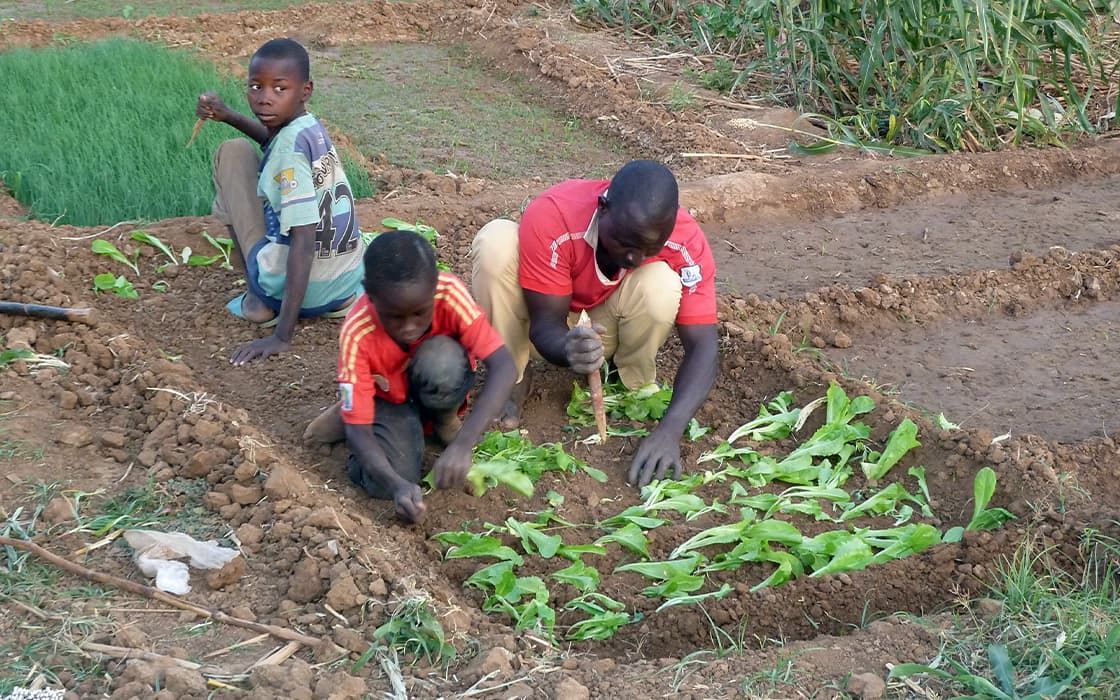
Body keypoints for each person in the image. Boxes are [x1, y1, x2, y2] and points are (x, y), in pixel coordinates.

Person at [471, 160, 719, 489]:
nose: (634, 259)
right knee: (497, 243)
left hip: (608, 329)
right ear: (604, 208)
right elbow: (546, 323)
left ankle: (629, 382)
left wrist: (669, 430)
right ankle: (512, 376)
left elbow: (704, 344)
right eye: (625, 244)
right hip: (541, 322)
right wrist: (567, 347)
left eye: (649, 248)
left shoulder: (685, 240)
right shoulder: (555, 214)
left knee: (661, 283)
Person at [316, 229, 516, 523]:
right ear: (369, 294)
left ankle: (444, 421)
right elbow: (360, 434)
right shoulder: (357, 332)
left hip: (431, 379)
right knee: (388, 479)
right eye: (395, 317)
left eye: (420, 314)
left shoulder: (449, 293)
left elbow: (504, 366)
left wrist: (463, 444)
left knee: (443, 360)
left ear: (434, 288)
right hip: (388, 398)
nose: (409, 327)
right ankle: (355, 407)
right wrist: (397, 485)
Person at [195, 38, 365, 366]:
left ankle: (259, 299)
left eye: (279, 89)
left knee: (232, 153)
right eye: (256, 87)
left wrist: (282, 336)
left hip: (306, 290)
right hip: (343, 285)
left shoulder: (289, 153)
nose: (264, 99)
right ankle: (320, 298)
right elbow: (273, 141)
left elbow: (304, 241)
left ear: (305, 90)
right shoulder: (308, 127)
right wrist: (228, 115)